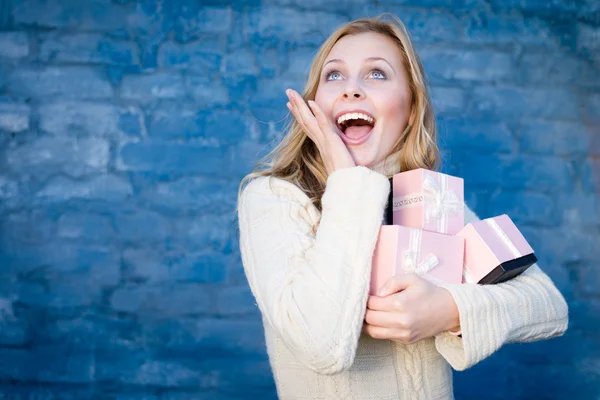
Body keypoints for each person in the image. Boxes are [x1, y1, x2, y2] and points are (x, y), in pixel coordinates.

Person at [236, 14, 568, 400]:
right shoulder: (274, 198)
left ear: (410, 108)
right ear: (315, 106)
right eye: (334, 75)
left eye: (377, 74)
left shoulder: (432, 202)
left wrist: (448, 308)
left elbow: (550, 306)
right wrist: (347, 181)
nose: (352, 89)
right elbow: (320, 346)